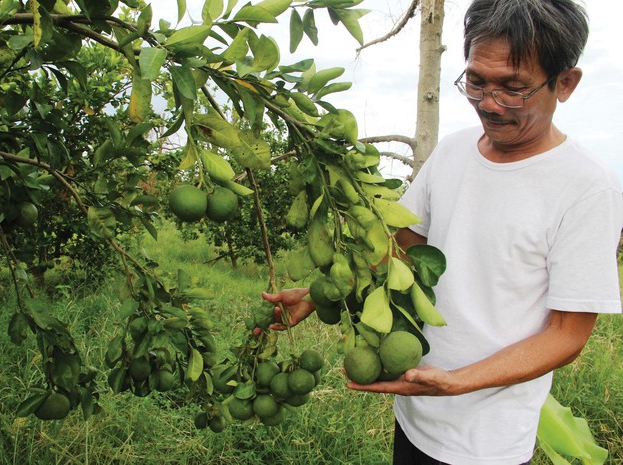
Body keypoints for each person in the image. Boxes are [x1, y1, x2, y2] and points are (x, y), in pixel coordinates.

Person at [262, 1, 623, 464]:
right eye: (476, 81)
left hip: (486, 441)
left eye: (512, 88)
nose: (488, 104)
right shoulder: (453, 152)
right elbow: (404, 248)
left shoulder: (587, 188)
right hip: (415, 410)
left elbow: (565, 334)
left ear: (565, 83)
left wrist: (459, 382)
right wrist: (319, 294)